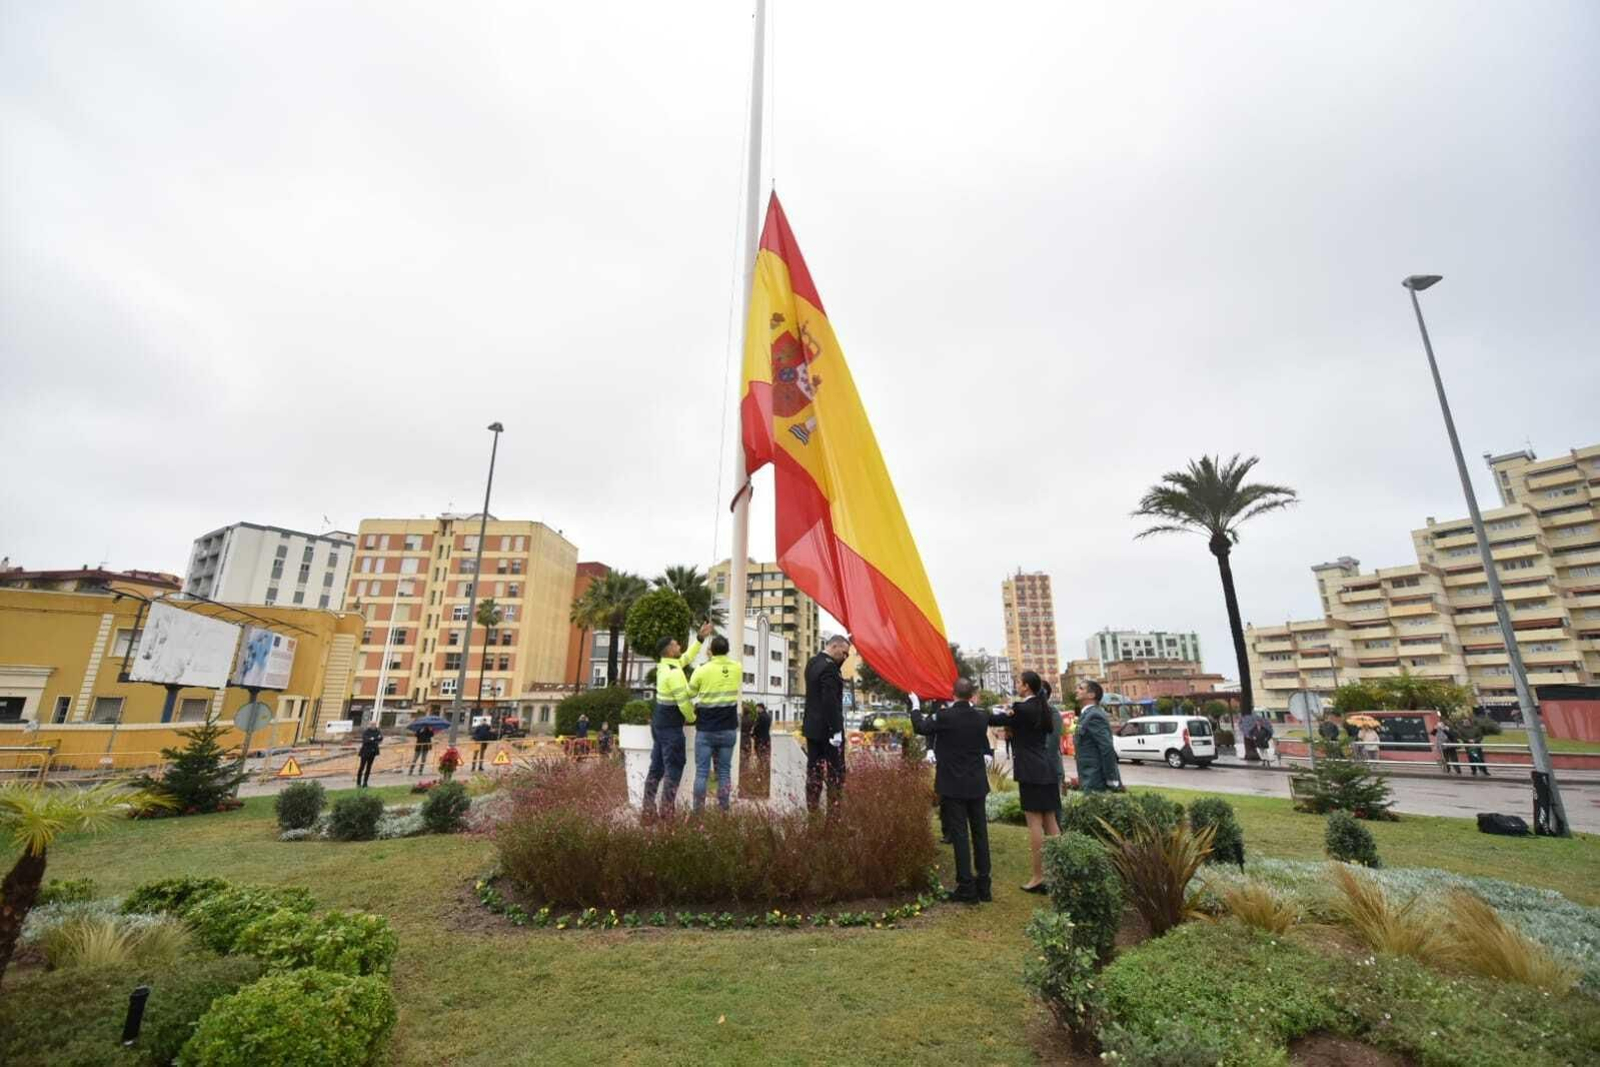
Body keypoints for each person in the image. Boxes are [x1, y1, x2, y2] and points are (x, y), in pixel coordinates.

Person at [909, 681, 992, 903]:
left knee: (960, 835)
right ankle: (984, 886)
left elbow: (921, 727)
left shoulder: (945, 716)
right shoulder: (981, 716)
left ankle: (966, 887)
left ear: (952, 694)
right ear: (972, 694)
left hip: (953, 784)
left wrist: (915, 706)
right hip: (976, 783)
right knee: (980, 833)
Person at [986, 671, 1060, 894]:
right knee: (1051, 822)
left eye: (1018, 683)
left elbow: (995, 719)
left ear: (1026, 686)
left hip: (1030, 770)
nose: (1016, 686)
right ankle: (1060, 873)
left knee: (1034, 824)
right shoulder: (1043, 707)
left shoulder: (1022, 708)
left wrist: (980, 711)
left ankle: (1039, 876)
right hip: (1046, 767)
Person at [641, 621, 713, 819]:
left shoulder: (666, 666)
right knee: (673, 768)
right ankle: (667, 813)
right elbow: (683, 703)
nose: (680, 647)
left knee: (656, 767)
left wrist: (700, 638)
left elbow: (688, 656)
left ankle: (648, 811)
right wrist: (694, 717)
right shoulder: (674, 674)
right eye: (676, 645)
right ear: (669, 649)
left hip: (659, 723)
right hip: (671, 727)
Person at [688, 634, 742, 812]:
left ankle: (698, 813)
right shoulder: (737, 668)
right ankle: (723, 810)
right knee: (724, 772)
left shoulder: (702, 669)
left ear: (710, 651)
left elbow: (690, 692)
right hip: (728, 729)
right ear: (727, 650)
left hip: (706, 729)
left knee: (702, 772)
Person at [802, 635, 851, 812]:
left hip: (812, 729)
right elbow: (830, 701)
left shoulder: (813, 663)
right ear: (835, 646)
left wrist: (848, 642)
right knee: (836, 776)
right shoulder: (830, 669)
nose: (845, 657)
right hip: (829, 732)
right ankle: (834, 820)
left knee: (814, 773)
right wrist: (837, 730)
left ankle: (812, 814)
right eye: (844, 653)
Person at [1072, 680, 1122, 793]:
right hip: (1088, 776)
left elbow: (1106, 747)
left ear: (1091, 695)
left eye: (1080, 688)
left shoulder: (1094, 715)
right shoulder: (1086, 714)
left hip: (1095, 778)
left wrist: (1111, 778)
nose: (1076, 691)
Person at [356, 721, 382, 788]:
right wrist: (374, 739)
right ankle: (358, 783)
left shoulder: (377, 731)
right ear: (369, 725)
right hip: (365, 752)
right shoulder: (366, 732)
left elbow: (380, 738)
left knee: (369, 767)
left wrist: (373, 739)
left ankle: (365, 783)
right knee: (362, 767)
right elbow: (366, 740)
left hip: (373, 752)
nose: (373, 725)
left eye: (374, 724)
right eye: (372, 724)